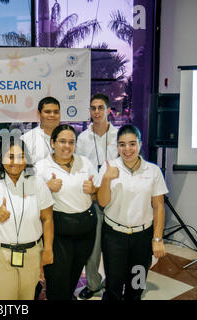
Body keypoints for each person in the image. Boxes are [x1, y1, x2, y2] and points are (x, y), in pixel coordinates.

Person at [95, 124, 168, 300]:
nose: (127, 149)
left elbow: (158, 206)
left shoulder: (153, 170)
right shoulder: (109, 167)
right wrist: (106, 179)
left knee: (136, 286)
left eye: (132, 144)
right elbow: (103, 202)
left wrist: (157, 239)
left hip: (142, 238)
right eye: (122, 144)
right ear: (117, 146)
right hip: (114, 237)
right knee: (113, 285)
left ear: (140, 144)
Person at [0, 137, 54, 300]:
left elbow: (47, 218)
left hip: (31, 253)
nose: (15, 162)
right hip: (0, 254)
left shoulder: (37, 182)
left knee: (27, 297)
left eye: (20, 156)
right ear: (2, 158)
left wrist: (47, 249)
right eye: (10, 156)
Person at [36, 124, 98, 300]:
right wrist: (46, 187)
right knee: (57, 279)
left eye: (71, 142)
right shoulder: (41, 167)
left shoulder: (85, 163)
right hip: (58, 231)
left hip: (85, 230)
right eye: (62, 141)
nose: (67, 146)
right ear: (53, 143)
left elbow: (97, 196)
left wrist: (93, 190)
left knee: (73, 276)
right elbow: (31, 201)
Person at [75, 93, 118, 299]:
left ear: (108, 110)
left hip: (115, 199)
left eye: (101, 107)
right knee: (93, 247)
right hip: (91, 199)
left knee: (114, 247)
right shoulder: (82, 138)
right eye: (93, 108)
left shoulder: (119, 136)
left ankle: (114, 285)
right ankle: (93, 284)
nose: (97, 112)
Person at [20, 96, 61, 165]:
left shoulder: (67, 138)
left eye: (56, 112)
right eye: (47, 112)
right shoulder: (26, 139)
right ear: (39, 114)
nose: (52, 115)